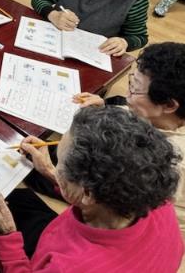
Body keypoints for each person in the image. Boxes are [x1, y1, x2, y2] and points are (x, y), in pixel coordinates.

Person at [0, 106, 183, 272]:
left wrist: (9, 238)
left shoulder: (70, 267)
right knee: (21, 200)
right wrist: (50, 171)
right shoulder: (157, 200)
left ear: (88, 193)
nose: (55, 166)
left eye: (59, 163)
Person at [74, 42, 185, 241]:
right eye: (131, 82)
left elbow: (112, 210)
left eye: (134, 90)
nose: (127, 95)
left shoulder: (167, 164)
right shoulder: (163, 118)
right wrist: (105, 108)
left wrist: (51, 172)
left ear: (169, 105)